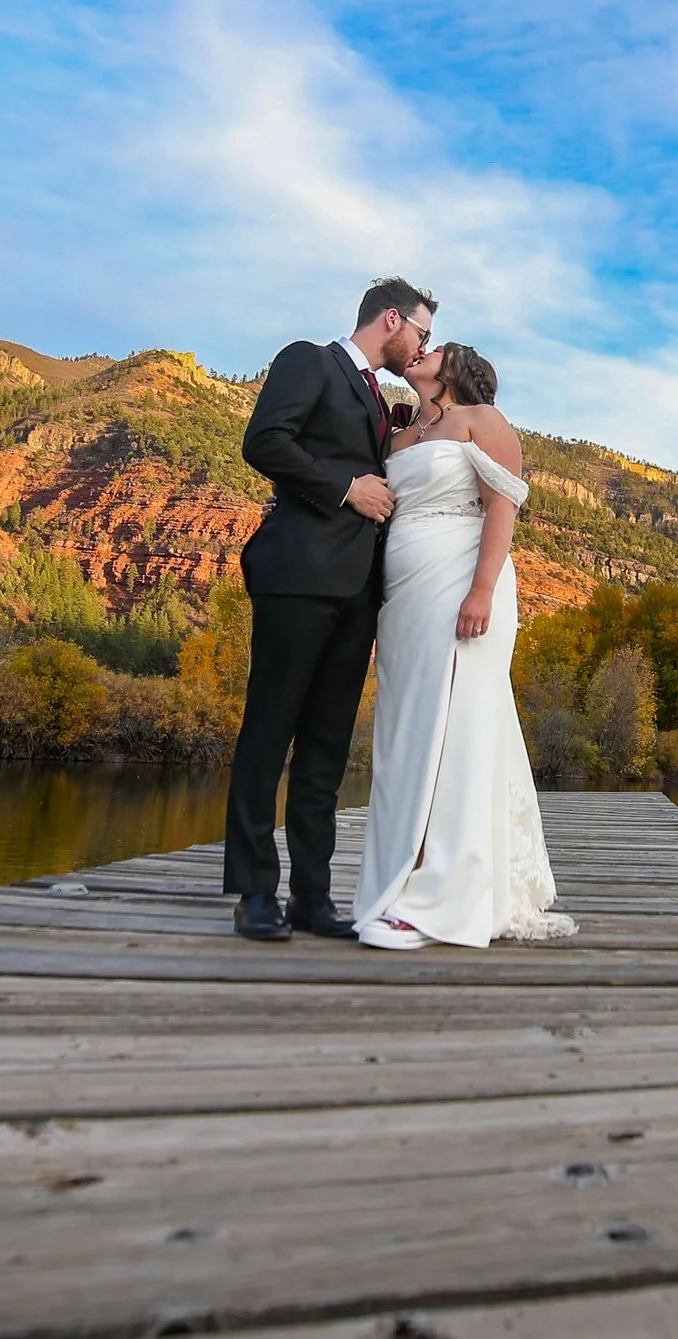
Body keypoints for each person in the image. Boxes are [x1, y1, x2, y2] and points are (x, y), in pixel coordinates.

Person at [224, 277, 434, 941]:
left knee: (326, 748)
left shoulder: (381, 399)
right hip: (297, 577)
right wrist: (345, 487)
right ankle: (255, 892)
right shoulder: (308, 360)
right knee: (268, 734)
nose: (423, 345)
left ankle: (311, 896)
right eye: (421, 333)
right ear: (392, 319)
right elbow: (264, 440)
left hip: (357, 594)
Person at [354, 341, 574, 949]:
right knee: (406, 733)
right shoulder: (400, 435)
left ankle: (446, 897)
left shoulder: (483, 421)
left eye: (438, 349)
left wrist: (480, 591)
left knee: (458, 730)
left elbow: (502, 507)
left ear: (455, 370)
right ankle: (402, 878)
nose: (423, 352)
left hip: (464, 585)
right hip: (404, 598)